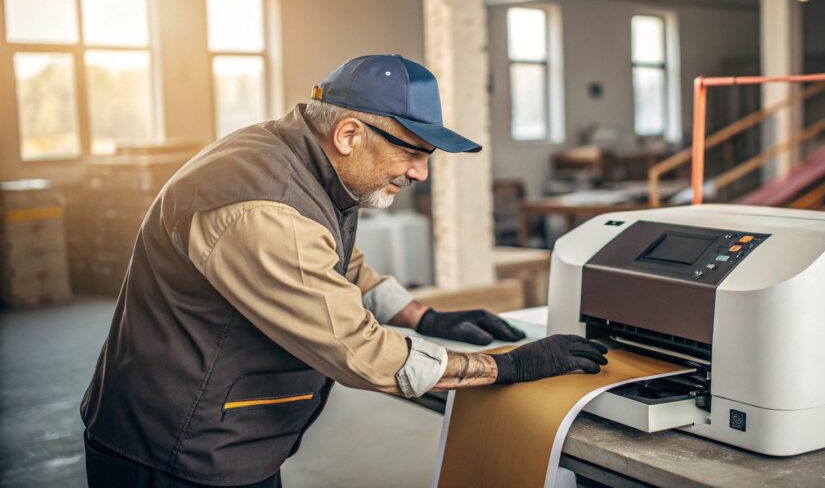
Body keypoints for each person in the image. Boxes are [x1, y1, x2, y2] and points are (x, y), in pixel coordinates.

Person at [80, 54, 609, 487]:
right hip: (175, 449)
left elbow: (336, 262)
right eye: (412, 151)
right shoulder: (264, 207)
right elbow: (358, 351)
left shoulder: (303, 160)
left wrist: (423, 317)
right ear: (350, 134)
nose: (421, 173)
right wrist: (505, 367)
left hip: (226, 438)